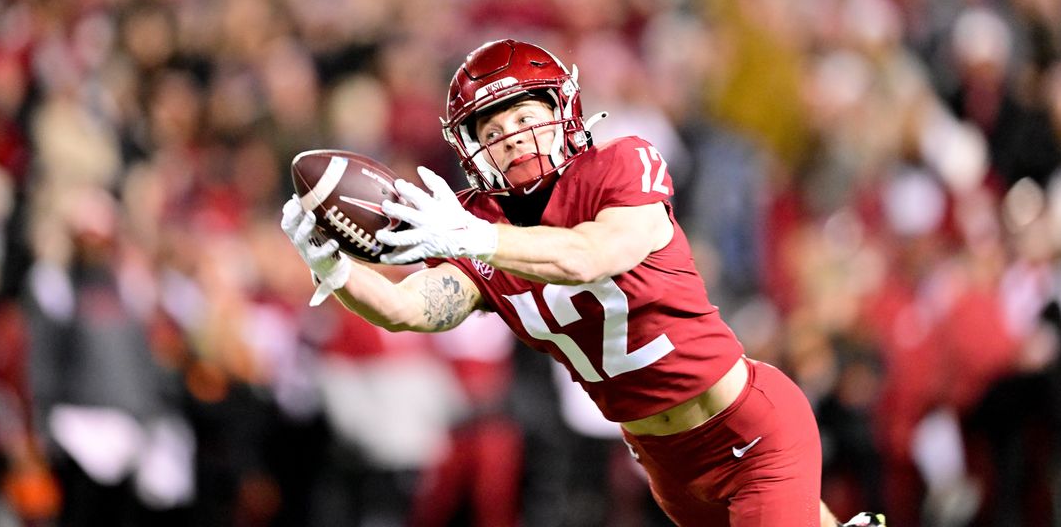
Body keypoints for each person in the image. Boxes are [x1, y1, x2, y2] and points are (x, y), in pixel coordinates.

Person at [281, 39, 884, 527]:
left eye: (524, 116)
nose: (512, 136)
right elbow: (404, 308)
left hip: (747, 430)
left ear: (562, 110)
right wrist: (334, 270)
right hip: (667, 468)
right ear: (471, 148)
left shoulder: (618, 165)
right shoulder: (477, 223)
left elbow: (589, 255)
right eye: (492, 129)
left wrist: (468, 238)